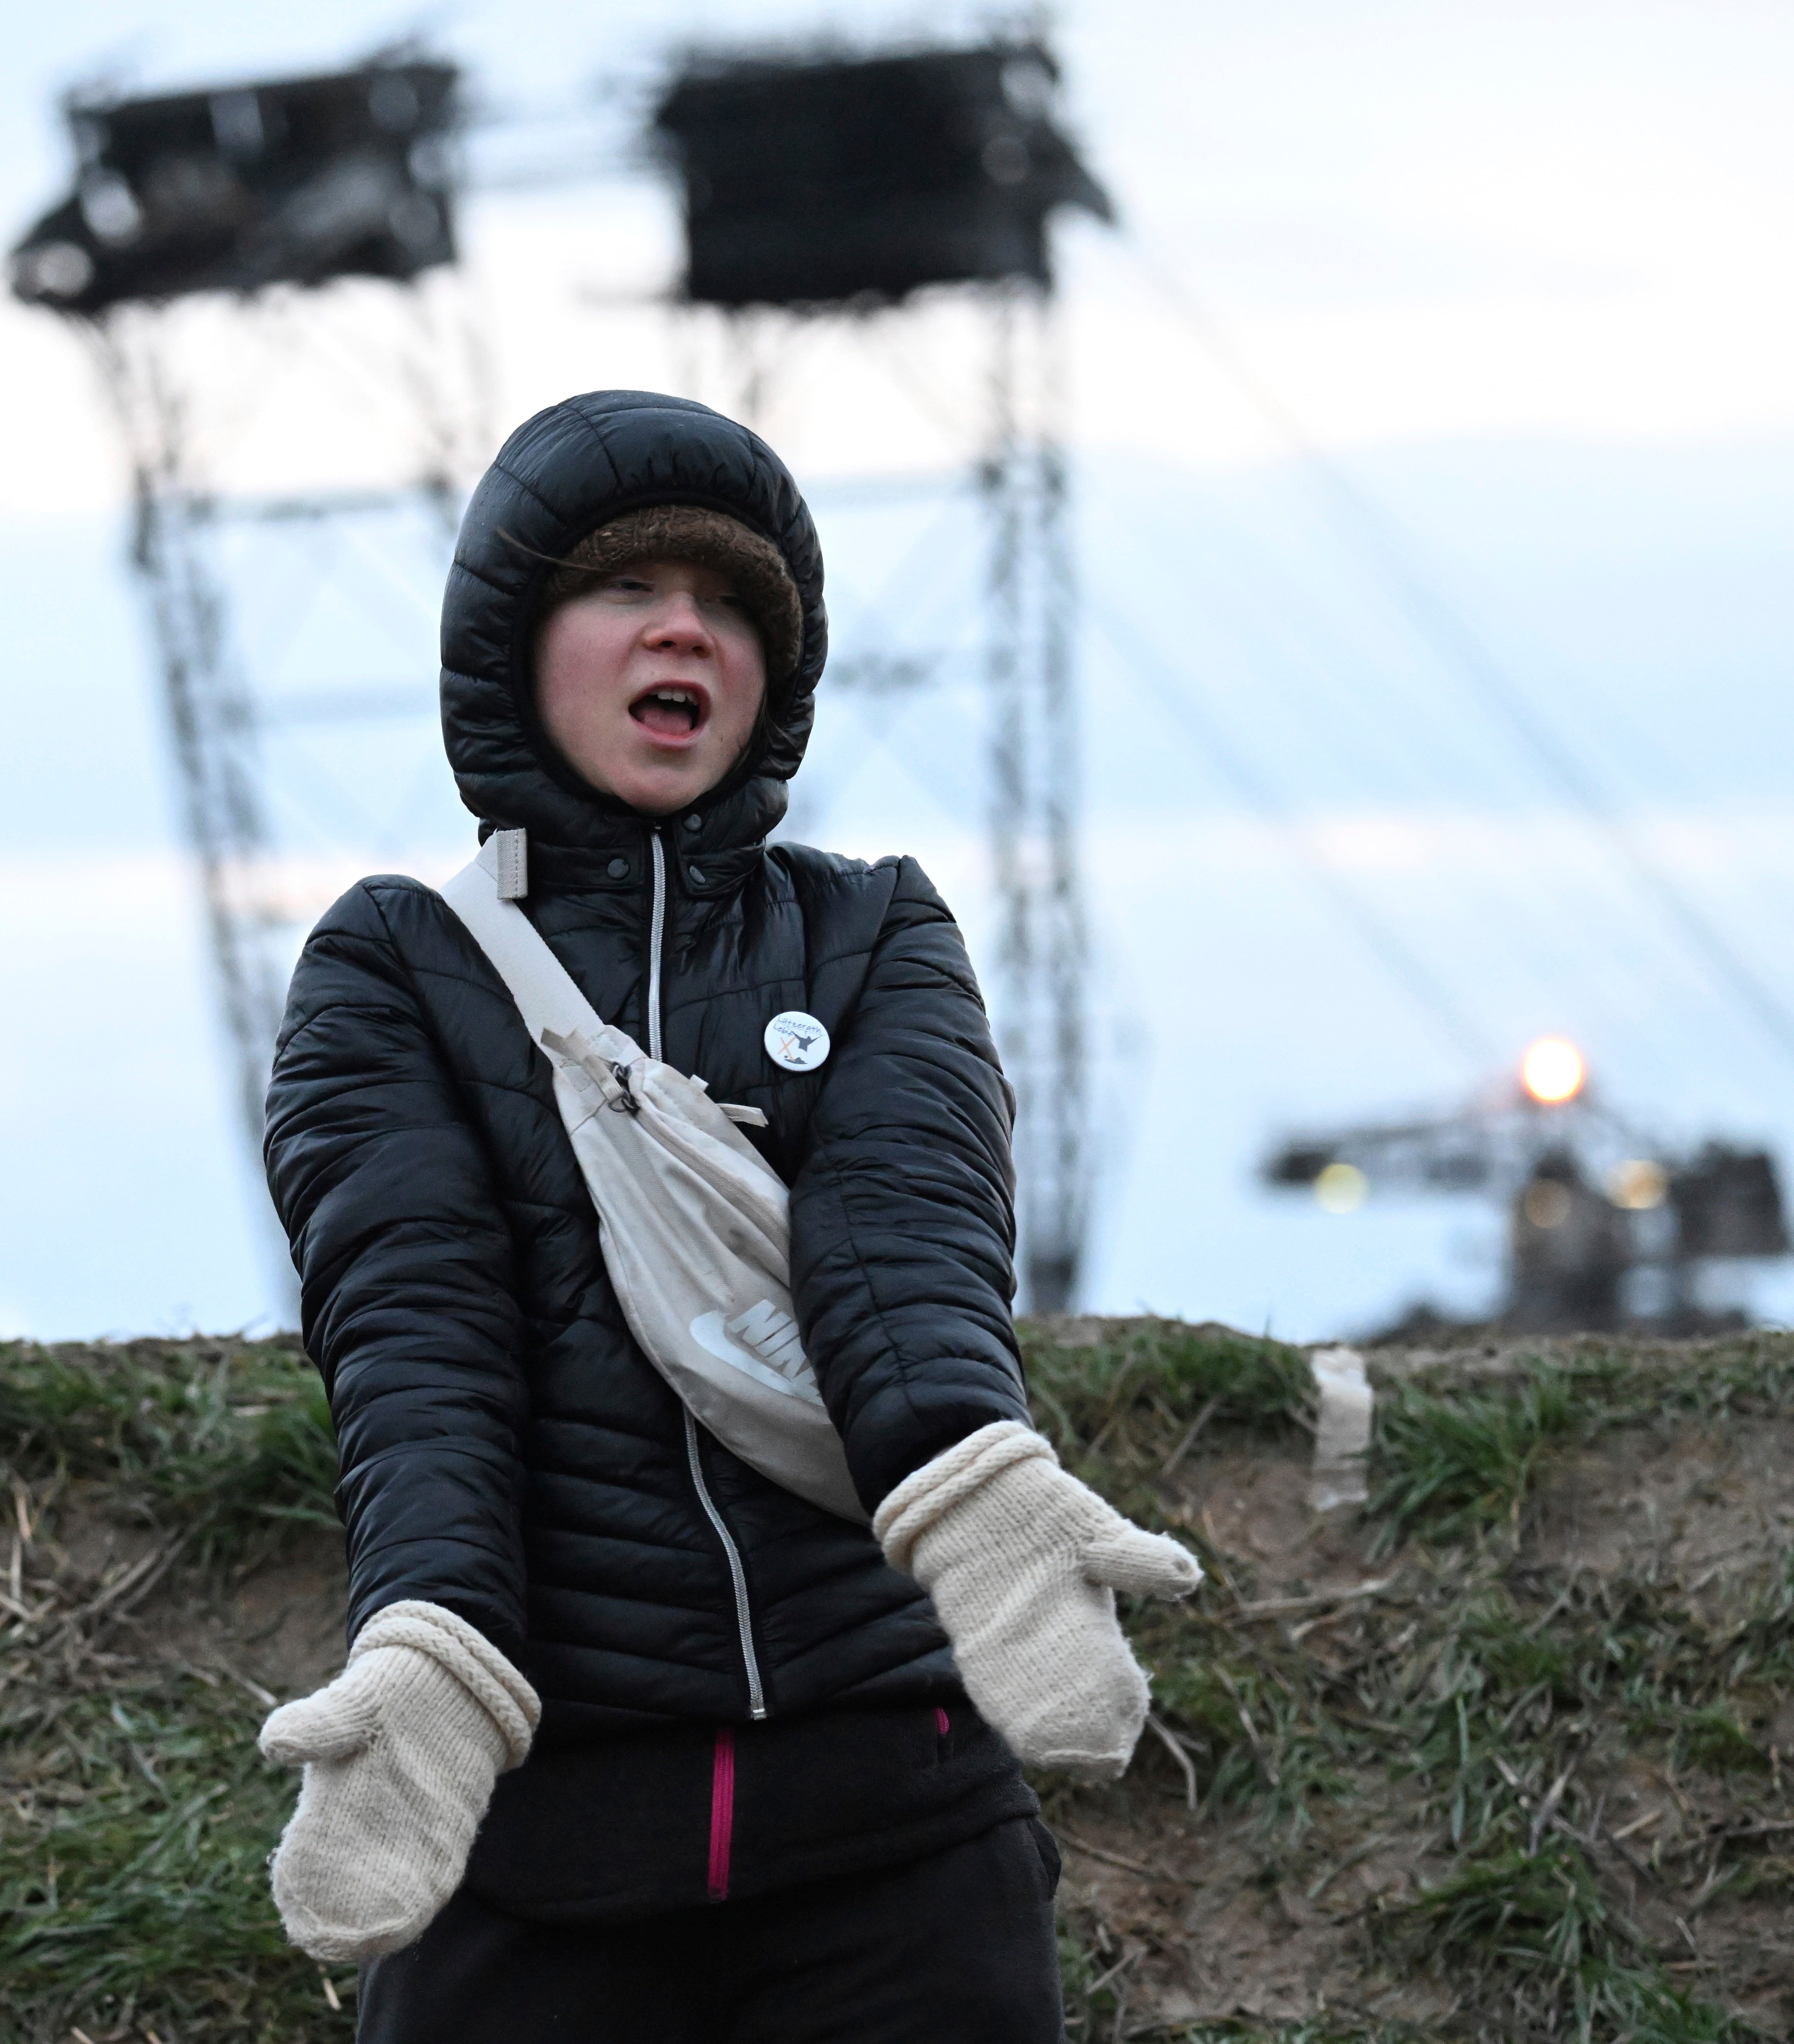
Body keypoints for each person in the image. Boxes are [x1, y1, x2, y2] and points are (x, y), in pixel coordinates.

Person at [256, 391, 1195, 2042]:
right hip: (541, 1849)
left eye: (734, 603)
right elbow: (417, 1340)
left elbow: (905, 1241)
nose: (684, 624)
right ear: (513, 643)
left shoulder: (876, 935)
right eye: (625, 588)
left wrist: (979, 1496)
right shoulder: (394, 971)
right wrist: (431, 1652)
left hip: (897, 1832)